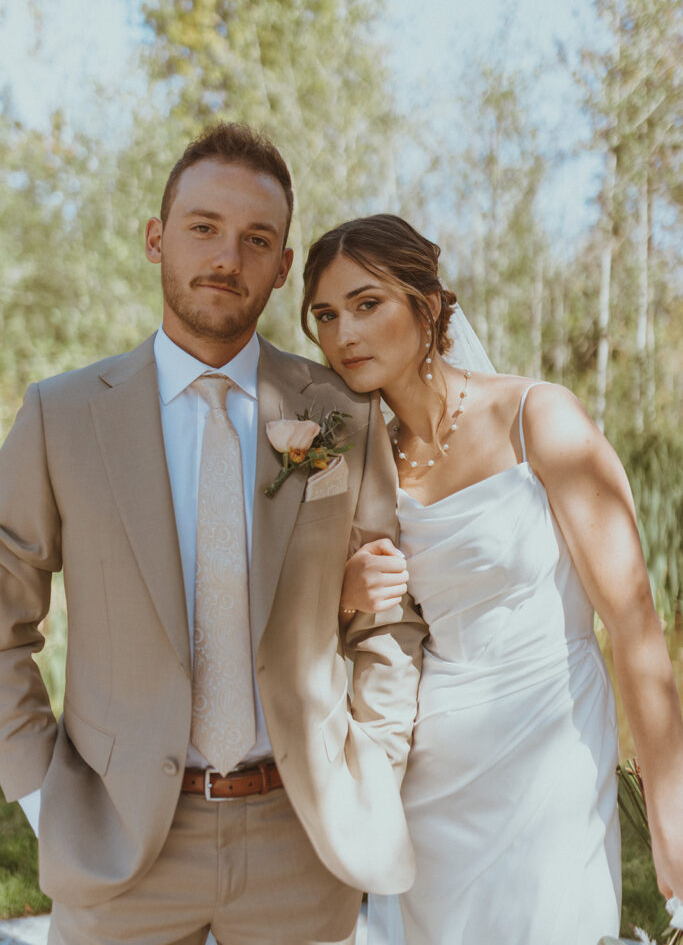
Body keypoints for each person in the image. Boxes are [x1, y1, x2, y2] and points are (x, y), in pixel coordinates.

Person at [0, 129, 427, 945]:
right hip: (118, 846)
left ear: (281, 263)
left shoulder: (338, 414)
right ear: (156, 238)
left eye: (255, 240)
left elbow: (388, 612)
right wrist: (42, 793)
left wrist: (371, 759)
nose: (227, 256)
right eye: (203, 227)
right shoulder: (61, 417)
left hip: (299, 844)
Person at [301, 213, 683, 945]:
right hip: (432, 765)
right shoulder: (355, 460)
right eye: (325, 314)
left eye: (365, 303)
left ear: (427, 305)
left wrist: (670, 810)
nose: (343, 332)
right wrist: (346, 596)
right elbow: (310, 618)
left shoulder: (537, 418)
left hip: (552, 737)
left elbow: (634, 623)